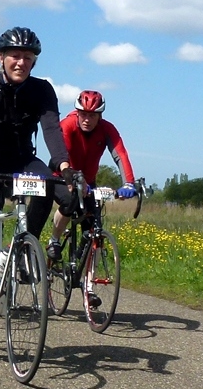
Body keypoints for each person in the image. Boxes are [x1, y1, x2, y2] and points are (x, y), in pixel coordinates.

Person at [0, 27, 81, 343]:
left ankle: (23, 246)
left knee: (49, 183)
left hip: (21, 159)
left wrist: (64, 166)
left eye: (28, 57)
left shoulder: (41, 90)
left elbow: (52, 129)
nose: (21, 62)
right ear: (1, 57)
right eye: (15, 56)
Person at [51, 89, 138, 261]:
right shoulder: (67, 125)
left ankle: (88, 275)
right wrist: (72, 177)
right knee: (69, 203)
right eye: (83, 114)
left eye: (92, 115)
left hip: (89, 182)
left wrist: (128, 182)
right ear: (77, 112)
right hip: (63, 177)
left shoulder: (107, 129)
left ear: (100, 116)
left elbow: (120, 154)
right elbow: (63, 153)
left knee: (94, 226)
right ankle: (54, 240)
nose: (87, 120)